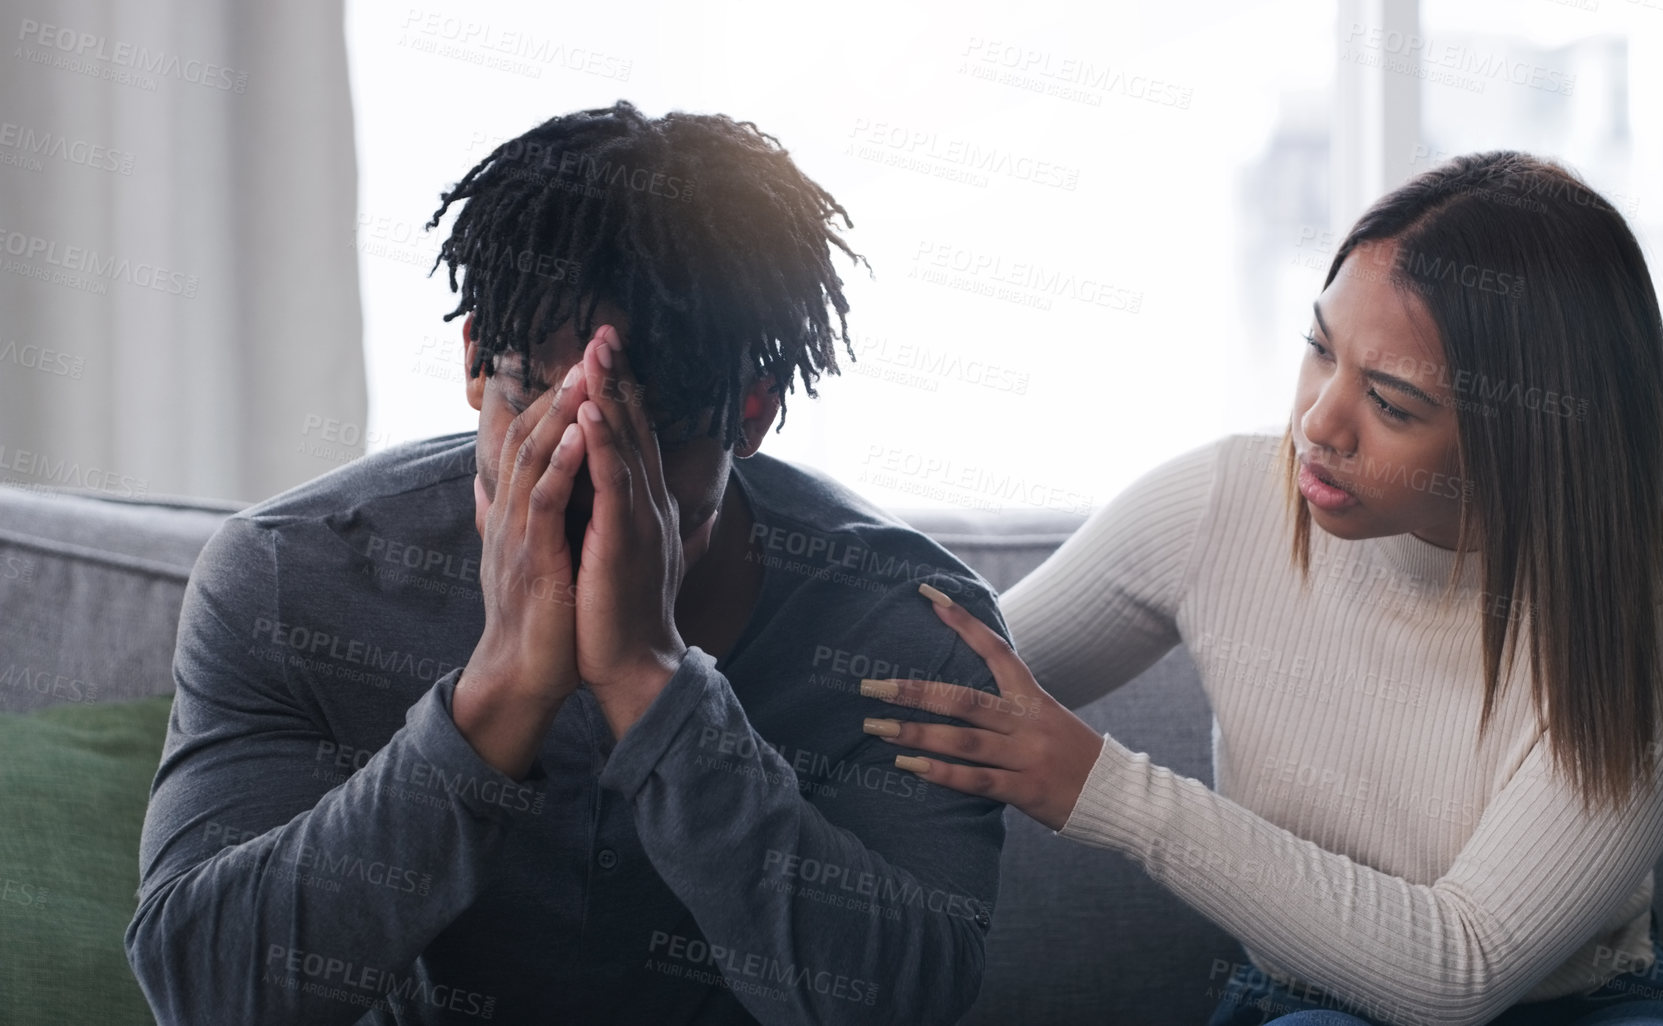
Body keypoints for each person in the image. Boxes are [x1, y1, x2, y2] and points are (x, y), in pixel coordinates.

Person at [126, 101, 1009, 1025]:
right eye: (537, 400)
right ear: (475, 362)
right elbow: (206, 995)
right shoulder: (291, 576)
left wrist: (653, 687)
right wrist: (498, 693)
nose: (582, 462)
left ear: (751, 410)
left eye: (647, 422)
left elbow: (900, 1009)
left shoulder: (907, 626)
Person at [860, 153, 1663, 1026]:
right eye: (1319, 351)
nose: (1317, 423)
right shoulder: (1220, 503)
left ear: (1531, 437)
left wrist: (1109, 792)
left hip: (1590, 1004)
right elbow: (909, 686)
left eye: (1392, 403)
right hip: (1311, 1004)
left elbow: (1464, 970)